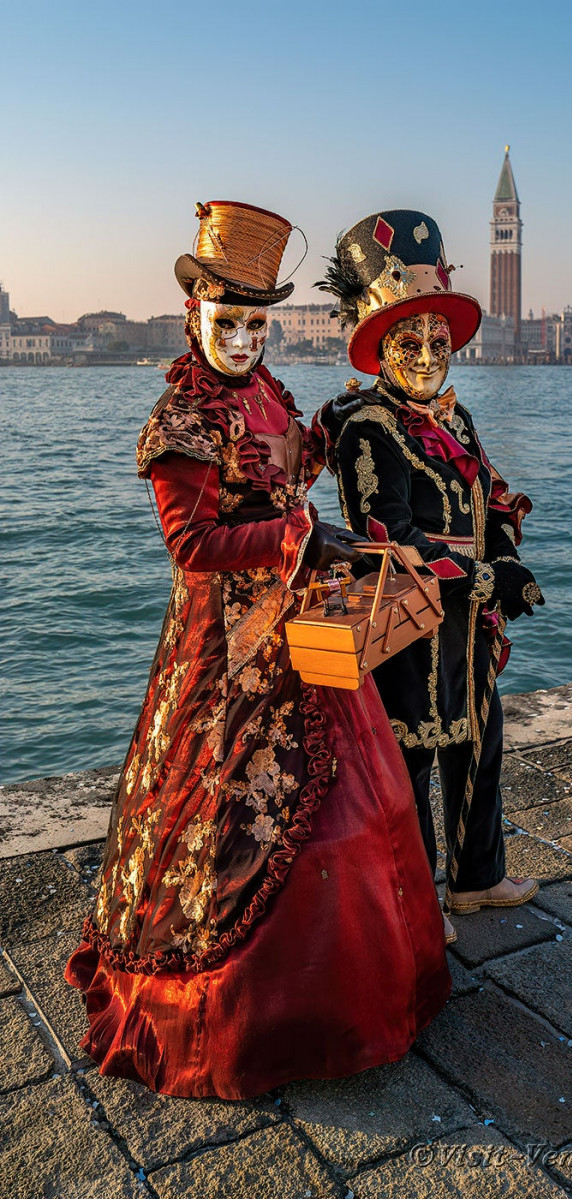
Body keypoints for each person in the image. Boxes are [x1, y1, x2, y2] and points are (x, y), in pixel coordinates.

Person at [65, 200, 450, 1100]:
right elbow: (192, 546)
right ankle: (251, 1012)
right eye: (226, 323)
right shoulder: (181, 418)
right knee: (231, 822)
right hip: (224, 648)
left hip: (298, 623)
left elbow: (292, 475)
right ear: (193, 315)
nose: (241, 341)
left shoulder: (267, 392)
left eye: (256, 325)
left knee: (356, 802)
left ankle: (363, 992)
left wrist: (344, 469)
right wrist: (294, 536)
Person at [316, 210, 545, 944]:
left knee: (480, 739)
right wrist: (481, 577)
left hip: (466, 626)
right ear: (381, 350)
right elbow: (386, 534)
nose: (424, 355)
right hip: (406, 623)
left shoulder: (458, 418)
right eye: (408, 343)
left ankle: (476, 878)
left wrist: (506, 558)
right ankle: (416, 904)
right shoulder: (366, 428)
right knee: (409, 760)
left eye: (436, 341)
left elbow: (492, 495)